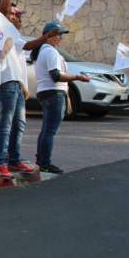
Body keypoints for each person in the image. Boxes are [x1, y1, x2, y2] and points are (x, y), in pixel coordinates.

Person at [0, 0, 58, 179]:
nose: (15, 16)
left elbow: (24, 51)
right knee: (5, 124)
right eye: (12, 13)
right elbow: (4, 10)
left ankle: (13, 159)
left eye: (16, 13)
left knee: (19, 124)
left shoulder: (13, 34)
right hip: (3, 84)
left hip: (14, 85)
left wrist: (23, 85)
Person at [32, 21, 90, 174]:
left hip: (50, 93)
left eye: (61, 34)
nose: (60, 37)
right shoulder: (50, 52)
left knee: (46, 129)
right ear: (48, 36)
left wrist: (68, 98)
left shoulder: (45, 51)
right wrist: (78, 77)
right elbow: (56, 76)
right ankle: (44, 163)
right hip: (52, 94)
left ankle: (41, 161)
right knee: (49, 131)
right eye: (58, 34)